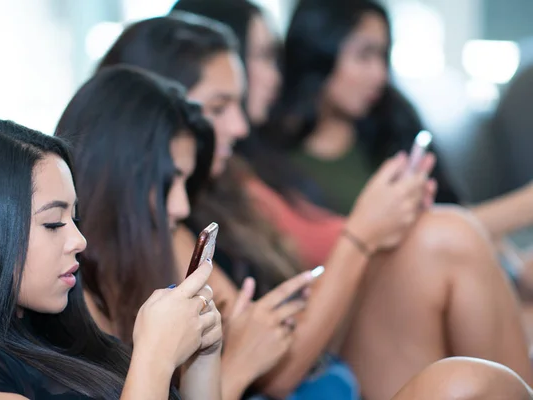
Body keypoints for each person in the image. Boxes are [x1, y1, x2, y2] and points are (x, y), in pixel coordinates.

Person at [98, 12, 533, 400]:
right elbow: (262, 364)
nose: (241, 123)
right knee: (445, 242)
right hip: (307, 366)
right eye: (220, 105)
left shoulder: (236, 181)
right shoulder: (166, 225)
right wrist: (362, 234)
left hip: (324, 361)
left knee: (449, 239)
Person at [55, 65, 313, 400]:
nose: (181, 206)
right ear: (113, 177)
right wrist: (237, 368)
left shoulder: (156, 248)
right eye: (167, 183)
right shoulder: (63, 290)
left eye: (185, 183)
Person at [0, 115, 222, 400]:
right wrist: (155, 357)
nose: (79, 240)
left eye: (75, 218)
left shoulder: (65, 336)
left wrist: (202, 356)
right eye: (53, 223)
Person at [269, 0, 533, 241]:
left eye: (383, 56)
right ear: (318, 52)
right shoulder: (275, 163)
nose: (379, 75)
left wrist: (515, 269)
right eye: (364, 56)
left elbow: (452, 213)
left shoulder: (393, 124)